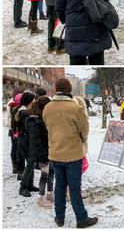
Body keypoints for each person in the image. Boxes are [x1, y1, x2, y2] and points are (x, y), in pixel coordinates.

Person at [42, 78, 97, 228]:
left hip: (56, 153)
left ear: (56, 89)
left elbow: (48, 126)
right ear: (69, 90)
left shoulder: (48, 108)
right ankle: (81, 219)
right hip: (73, 154)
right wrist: (79, 139)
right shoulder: (75, 108)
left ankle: (59, 217)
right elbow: (84, 130)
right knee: (74, 188)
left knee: (59, 186)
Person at [25, 96, 54, 207]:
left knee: (52, 173)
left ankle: (50, 193)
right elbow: (36, 142)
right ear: (44, 108)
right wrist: (43, 157)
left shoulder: (42, 119)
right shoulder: (34, 122)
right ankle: (40, 198)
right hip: (43, 155)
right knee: (44, 176)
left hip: (49, 153)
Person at [16, 92, 38, 196]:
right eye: (33, 99)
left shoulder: (23, 111)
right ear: (29, 101)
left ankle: (30, 185)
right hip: (25, 142)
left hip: (25, 141)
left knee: (31, 163)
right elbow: (27, 129)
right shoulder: (24, 114)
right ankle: (23, 187)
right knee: (30, 164)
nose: (35, 101)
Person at [7, 89, 24, 177]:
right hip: (14, 129)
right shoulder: (14, 105)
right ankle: (16, 167)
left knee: (14, 148)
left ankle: (16, 167)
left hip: (12, 129)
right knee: (16, 148)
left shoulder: (11, 104)